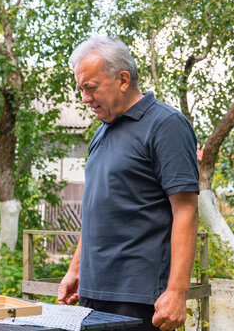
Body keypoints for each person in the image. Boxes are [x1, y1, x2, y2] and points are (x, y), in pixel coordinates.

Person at [57, 37, 199, 331]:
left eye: (90, 87)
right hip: (92, 293)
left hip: (138, 297)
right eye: (81, 88)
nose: (84, 98)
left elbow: (186, 211)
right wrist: (75, 269)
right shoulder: (102, 131)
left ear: (122, 79)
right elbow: (99, 207)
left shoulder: (166, 124)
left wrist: (177, 292)